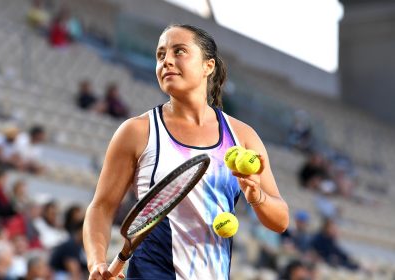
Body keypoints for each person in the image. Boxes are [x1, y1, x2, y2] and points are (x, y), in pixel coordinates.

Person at [83, 24, 289, 280]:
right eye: (160, 55)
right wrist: (97, 263)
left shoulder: (243, 136)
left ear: (208, 66)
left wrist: (256, 195)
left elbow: (280, 221)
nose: (166, 60)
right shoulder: (137, 131)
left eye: (179, 51)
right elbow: (101, 207)